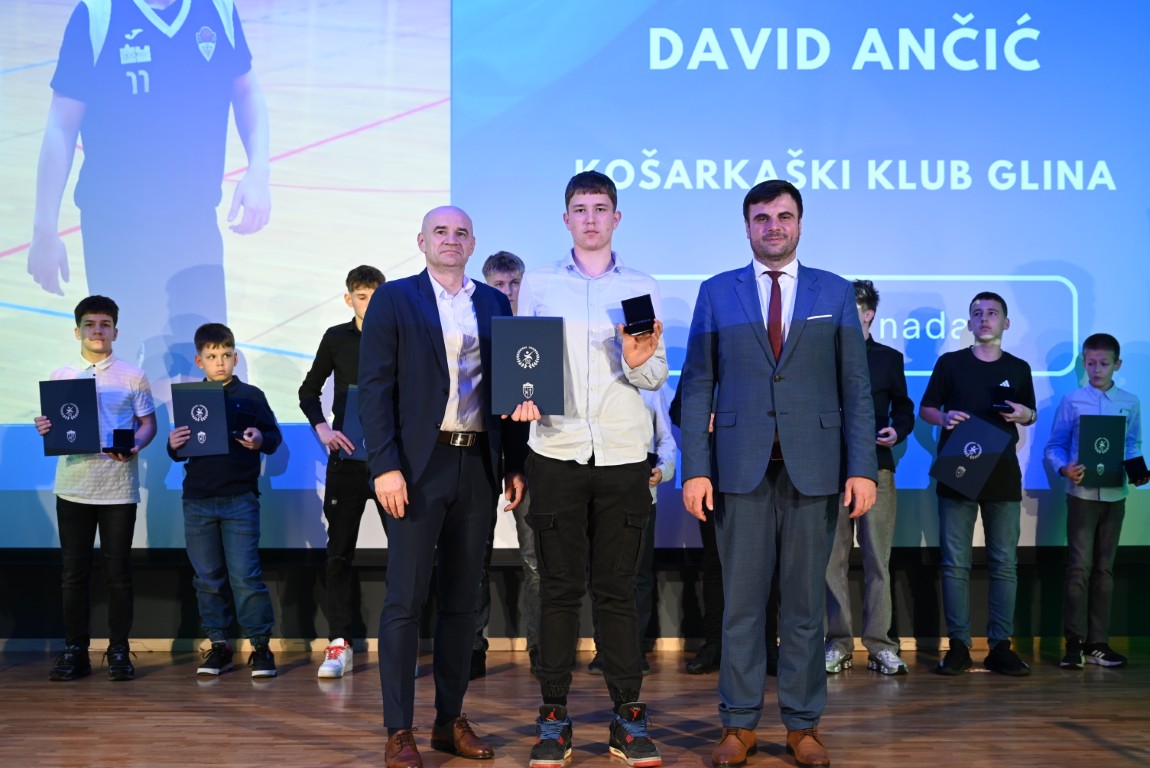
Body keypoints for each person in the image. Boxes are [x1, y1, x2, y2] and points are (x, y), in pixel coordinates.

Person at [679, 180, 876, 768]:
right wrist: (695, 468)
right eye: (761, 217)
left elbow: (856, 387)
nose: (773, 227)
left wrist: (862, 467)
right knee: (741, 607)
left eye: (783, 216)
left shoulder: (834, 291)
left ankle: (803, 725)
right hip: (738, 471)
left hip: (813, 470)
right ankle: (738, 725)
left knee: (804, 609)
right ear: (747, 226)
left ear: (800, 223)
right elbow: (698, 384)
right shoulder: (717, 291)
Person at [358, 206, 527, 768]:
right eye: (440, 232)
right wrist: (384, 465)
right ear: (422, 241)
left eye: (460, 233)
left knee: (462, 603)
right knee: (405, 600)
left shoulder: (494, 302)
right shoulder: (394, 298)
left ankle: (449, 720)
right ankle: (398, 730)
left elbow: (512, 388)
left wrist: (515, 463)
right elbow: (374, 388)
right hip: (414, 469)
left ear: (472, 243)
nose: (450, 240)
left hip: (477, 464)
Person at [513, 170, 668, 768]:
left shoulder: (639, 286)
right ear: (566, 218)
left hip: (623, 458)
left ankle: (628, 718)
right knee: (557, 590)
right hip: (556, 451)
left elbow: (653, 378)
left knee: (617, 592)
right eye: (580, 209)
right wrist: (522, 398)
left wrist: (638, 360)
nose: (591, 218)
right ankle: (553, 718)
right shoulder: (541, 282)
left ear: (616, 218)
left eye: (601, 208)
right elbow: (525, 363)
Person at [28, 0, 270, 378]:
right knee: (125, 370)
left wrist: (258, 171)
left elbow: (246, 89)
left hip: (195, 225)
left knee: (206, 368)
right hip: (116, 231)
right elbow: (61, 125)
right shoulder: (98, 15)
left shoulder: (217, 9)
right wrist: (44, 230)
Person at [34, 295, 157, 682]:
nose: (97, 331)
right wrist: (45, 427)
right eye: (90, 324)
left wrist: (135, 445)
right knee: (73, 574)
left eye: (105, 324)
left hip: (118, 488)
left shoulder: (133, 375)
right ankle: (75, 650)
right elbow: (56, 426)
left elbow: (148, 424)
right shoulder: (61, 376)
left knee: (118, 573)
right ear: (77, 331)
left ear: (115, 331)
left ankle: (118, 649)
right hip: (73, 487)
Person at [919, 291, 1037, 677]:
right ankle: (959, 646)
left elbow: (1030, 412)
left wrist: (1025, 414)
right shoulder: (950, 363)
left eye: (992, 313)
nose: (984, 318)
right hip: (959, 469)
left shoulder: (1019, 368)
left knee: (1004, 563)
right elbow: (927, 408)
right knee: (955, 562)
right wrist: (943, 417)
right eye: (977, 313)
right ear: (969, 323)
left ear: (1006, 322)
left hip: (1002, 472)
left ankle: (1000, 646)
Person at [167, 323, 281, 677]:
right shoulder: (190, 398)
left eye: (226, 355)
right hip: (198, 499)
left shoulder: (251, 395)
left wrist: (259, 438)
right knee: (207, 579)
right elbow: (179, 450)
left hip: (239, 499)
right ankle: (219, 646)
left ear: (235, 358)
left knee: (246, 576)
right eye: (212, 356)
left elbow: (273, 437)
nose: (220, 362)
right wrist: (172, 444)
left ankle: (261, 648)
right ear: (199, 361)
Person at [298, 265, 386, 679]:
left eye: (376, 296)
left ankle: (402, 641)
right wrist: (323, 429)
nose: (369, 303)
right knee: (339, 553)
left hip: (389, 460)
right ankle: (339, 643)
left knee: (406, 550)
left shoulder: (399, 334)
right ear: (349, 299)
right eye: (362, 296)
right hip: (347, 460)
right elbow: (308, 390)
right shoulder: (336, 337)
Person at [824, 280, 915, 677]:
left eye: (854, 306)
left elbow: (904, 408)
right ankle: (838, 643)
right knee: (832, 562)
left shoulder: (888, 358)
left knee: (879, 560)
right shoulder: (822, 355)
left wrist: (898, 430)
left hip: (876, 466)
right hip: (829, 469)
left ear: (869, 313)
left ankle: (880, 645)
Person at [1044, 333, 1145, 669]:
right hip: (1082, 495)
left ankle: (1097, 643)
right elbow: (1055, 445)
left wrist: (1138, 471)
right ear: (1083, 364)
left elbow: (1131, 444)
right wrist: (1064, 468)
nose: (1097, 369)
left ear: (1117, 364)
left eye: (1104, 363)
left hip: (1115, 495)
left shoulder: (1130, 401)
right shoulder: (1072, 401)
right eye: (1090, 363)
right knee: (1078, 568)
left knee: (1104, 569)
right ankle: (1073, 643)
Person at [471, 251, 541, 679]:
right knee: (473, 556)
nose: (509, 291)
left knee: (535, 558)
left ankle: (540, 649)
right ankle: (472, 648)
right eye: (499, 284)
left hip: (529, 459)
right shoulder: (473, 331)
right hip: (478, 453)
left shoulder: (536, 333)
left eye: (514, 283)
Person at [588, 387, 677, 677]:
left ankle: (635, 649)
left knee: (639, 575)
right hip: (597, 491)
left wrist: (663, 470)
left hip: (640, 492)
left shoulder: (652, 387)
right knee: (601, 574)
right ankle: (604, 649)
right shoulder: (593, 381)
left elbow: (666, 439)